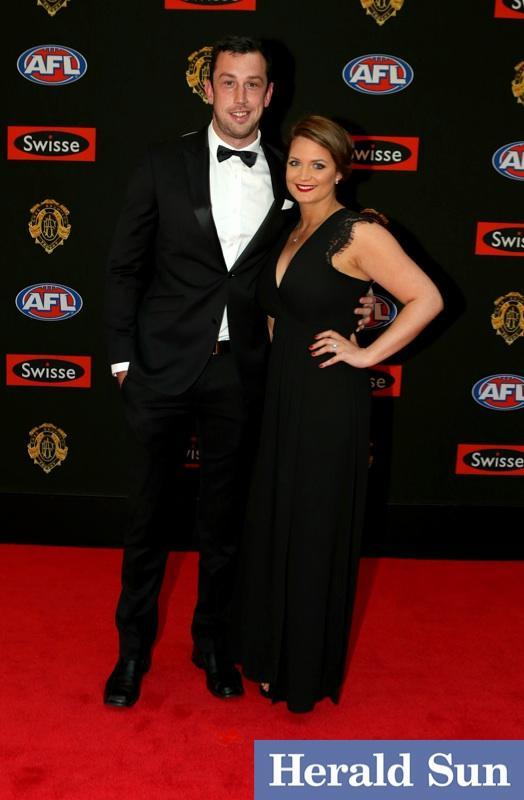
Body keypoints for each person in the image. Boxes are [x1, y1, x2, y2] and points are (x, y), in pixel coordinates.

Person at [104, 39, 373, 708]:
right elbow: (123, 268)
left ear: (271, 93)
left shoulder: (294, 173)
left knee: (225, 525)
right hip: (161, 370)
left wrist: (366, 309)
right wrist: (120, 360)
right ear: (207, 89)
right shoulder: (161, 164)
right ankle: (131, 653)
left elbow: (333, 254)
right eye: (229, 83)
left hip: (242, 375)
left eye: (255, 84)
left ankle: (214, 646)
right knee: (147, 522)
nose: (242, 97)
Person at [240, 115, 444, 713]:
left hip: (330, 402)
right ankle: (272, 653)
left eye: (318, 165)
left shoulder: (357, 232)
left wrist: (366, 353)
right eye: (296, 162)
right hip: (284, 395)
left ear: (341, 170)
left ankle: (302, 670)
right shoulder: (287, 226)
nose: (303, 174)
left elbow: (427, 298)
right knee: (279, 521)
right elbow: (282, 309)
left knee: (313, 530)